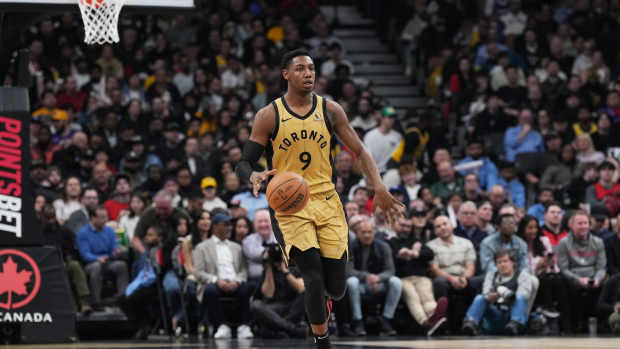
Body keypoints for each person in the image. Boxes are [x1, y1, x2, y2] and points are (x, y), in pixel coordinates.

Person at [235, 48, 404, 348]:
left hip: (326, 199)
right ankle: (321, 339)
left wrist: (377, 186)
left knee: (336, 287)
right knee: (312, 274)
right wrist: (253, 176)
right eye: (300, 68)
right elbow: (244, 162)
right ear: (286, 74)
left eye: (311, 68)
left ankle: (324, 306)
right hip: (289, 206)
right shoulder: (269, 114)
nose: (308, 73)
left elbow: (361, 151)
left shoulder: (331, 110)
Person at [192, 213, 253, 339]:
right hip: (215, 283)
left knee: (247, 288)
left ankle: (244, 325)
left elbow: (243, 270)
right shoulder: (202, 247)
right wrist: (216, 280)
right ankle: (221, 325)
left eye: (230, 225)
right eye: (225, 225)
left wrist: (237, 281)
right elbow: (198, 272)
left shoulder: (236, 247)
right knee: (210, 291)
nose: (229, 228)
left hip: (234, 282)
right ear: (215, 227)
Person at [389, 214, 448, 336]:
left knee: (427, 296)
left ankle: (434, 316)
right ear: (395, 224)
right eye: (402, 225)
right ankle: (425, 321)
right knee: (412, 296)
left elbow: (430, 254)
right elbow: (390, 259)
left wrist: (416, 253)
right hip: (403, 278)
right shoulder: (390, 242)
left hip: (421, 277)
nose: (405, 229)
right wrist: (399, 256)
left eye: (408, 226)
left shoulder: (416, 241)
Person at [346, 219, 402, 336]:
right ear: (357, 233)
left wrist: (378, 278)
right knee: (351, 282)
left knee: (396, 282)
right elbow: (348, 270)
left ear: (374, 233)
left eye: (369, 232)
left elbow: (390, 270)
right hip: (360, 284)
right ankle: (358, 320)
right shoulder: (350, 247)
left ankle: (386, 319)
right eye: (363, 232)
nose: (367, 235)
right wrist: (367, 277)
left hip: (378, 284)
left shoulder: (383, 246)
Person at [462, 249, 533, 336]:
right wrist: (494, 296)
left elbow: (525, 294)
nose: (502, 265)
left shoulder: (522, 274)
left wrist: (508, 295)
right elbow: (486, 293)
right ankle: (470, 323)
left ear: (512, 263)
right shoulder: (492, 275)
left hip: (512, 312)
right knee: (480, 298)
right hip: (496, 312)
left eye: (505, 261)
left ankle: (515, 325)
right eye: (499, 262)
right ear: (496, 264)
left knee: (519, 297)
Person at [557, 210, 607, 333]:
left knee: (606, 283)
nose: (583, 226)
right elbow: (564, 269)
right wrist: (578, 279)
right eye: (579, 223)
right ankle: (573, 324)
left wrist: (597, 279)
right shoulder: (563, 243)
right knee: (562, 282)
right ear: (571, 225)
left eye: (585, 223)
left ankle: (603, 325)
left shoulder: (598, 242)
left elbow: (601, 267)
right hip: (573, 278)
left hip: (594, 277)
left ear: (589, 225)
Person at [77, 205, 128, 307]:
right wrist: (97, 258)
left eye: (106, 217)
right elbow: (84, 254)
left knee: (121, 265)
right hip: (90, 263)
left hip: (107, 261)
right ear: (92, 218)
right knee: (96, 267)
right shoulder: (83, 233)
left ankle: (121, 297)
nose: (104, 220)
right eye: (101, 217)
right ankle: (96, 301)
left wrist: (115, 252)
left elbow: (113, 248)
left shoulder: (109, 231)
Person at [250, 259, 307, 338]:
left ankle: (276, 328)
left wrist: (285, 271)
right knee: (255, 305)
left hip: (292, 307)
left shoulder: (294, 265)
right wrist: (269, 269)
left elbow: (301, 288)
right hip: (274, 308)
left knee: (307, 294)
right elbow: (268, 294)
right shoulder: (269, 268)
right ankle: (291, 329)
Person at [242, 208, 277, 291]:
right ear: (254, 224)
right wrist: (272, 253)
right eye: (260, 221)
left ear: (271, 222)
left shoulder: (279, 238)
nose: (263, 224)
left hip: (278, 278)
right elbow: (253, 254)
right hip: (255, 280)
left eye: (266, 221)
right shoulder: (248, 240)